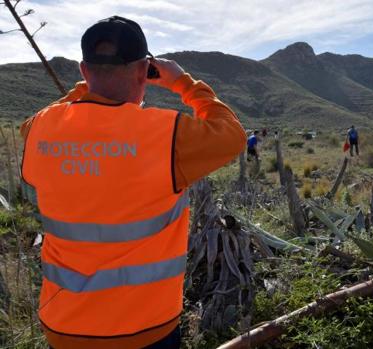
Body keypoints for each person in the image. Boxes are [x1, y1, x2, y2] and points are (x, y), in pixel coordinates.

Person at [19, 16, 245, 349]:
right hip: (145, 330)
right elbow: (231, 134)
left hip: (63, 328)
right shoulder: (165, 134)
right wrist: (182, 82)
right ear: (144, 71)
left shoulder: (40, 128)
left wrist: (89, 87)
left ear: (84, 70)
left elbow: (36, 121)